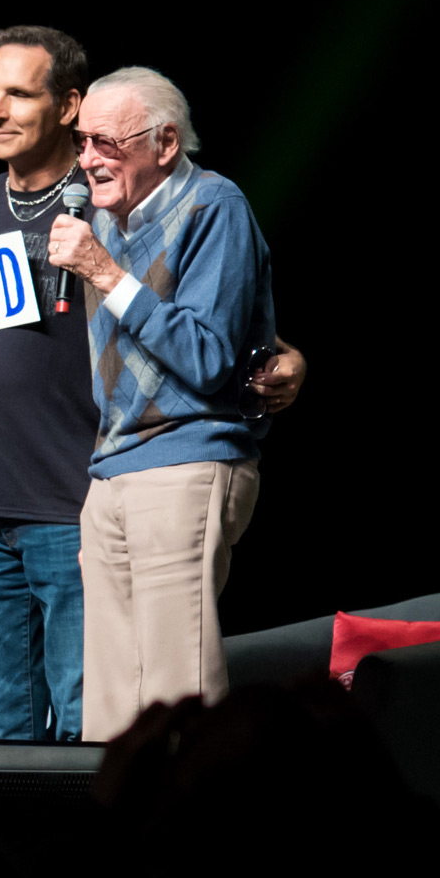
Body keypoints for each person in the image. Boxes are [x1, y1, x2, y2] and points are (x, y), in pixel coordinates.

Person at [0, 31, 304, 741]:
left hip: (81, 490)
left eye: (18, 93)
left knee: (116, 712)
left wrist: (282, 359)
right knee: (25, 729)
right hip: (1, 491)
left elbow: (216, 324)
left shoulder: (125, 204)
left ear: (67, 105)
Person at [46, 66, 275, 742]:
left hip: (186, 463)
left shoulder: (215, 207)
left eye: (104, 144)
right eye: (82, 141)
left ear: (165, 144)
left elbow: (209, 357)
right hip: (112, 473)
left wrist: (104, 274)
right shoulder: (99, 219)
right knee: (110, 712)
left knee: (180, 697)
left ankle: (201, 843)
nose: (86, 158)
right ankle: (117, 846)